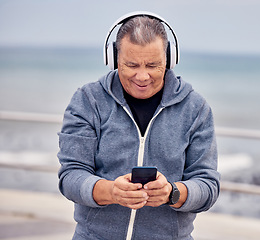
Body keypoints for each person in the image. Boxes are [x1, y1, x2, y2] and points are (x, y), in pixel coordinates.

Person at [57, 11, 220, 240]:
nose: (142, 76)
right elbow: (70, 177)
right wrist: (112, 191)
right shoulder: (88, 100)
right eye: (132, 64)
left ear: (169, 60)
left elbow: (208, 186)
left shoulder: (195, 109)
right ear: (113, 59)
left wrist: (172, 192)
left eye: (153, 65)